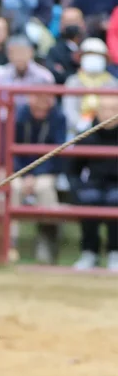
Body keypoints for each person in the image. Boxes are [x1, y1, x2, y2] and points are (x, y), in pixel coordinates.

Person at [11, 93, 68, 263]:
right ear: (30, 99)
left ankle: (46, 243)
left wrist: (35, 175)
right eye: (37, 98)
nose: (41, 104)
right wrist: (25, 174)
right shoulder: (19, 116)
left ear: (51, 100)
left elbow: (58, 153)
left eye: (46, 99)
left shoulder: (58, 118)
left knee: (45, 189)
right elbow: (9, 151)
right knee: (12, 188)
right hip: (19, 171)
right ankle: (10, 244)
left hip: (45, 172)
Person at [69, 95, 118, 270]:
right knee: (88, 198)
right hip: (94, 184)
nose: (108, 114)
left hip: (116, 186)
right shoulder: (87, 136)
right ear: (97, 112)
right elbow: (72, 169)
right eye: (104, 109)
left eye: (113, 110)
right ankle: (89, 252)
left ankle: (115, 253)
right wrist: (77, 190)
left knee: (115, 200)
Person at [63, 37, 118, 136]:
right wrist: (79, 125)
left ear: (105, 59)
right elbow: (68, 110)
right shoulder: (73, 81)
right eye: (89, 55)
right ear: (81, 58)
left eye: (98, 56)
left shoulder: (113, 82)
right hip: (75, 132)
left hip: (107, 131)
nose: (93, 59)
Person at [0, 34, 56, 110]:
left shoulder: (44, 76)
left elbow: (50, 105)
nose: (19, 57)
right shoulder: (0, 76)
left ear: (31, 52)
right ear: (8, 55)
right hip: (7, 118)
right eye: (15, 53)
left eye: (23, 52)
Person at [45, 7, 87, 83]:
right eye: (67, 22)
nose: (71, 26)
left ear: (83, 24)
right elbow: (55, 75)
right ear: (61, 25)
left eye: (74, 21)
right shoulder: (55, 51)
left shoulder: (90, 46)